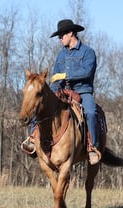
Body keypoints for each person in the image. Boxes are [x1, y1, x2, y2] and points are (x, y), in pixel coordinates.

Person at [21, 19, 100, 165]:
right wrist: (52, 90)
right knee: (40, 105)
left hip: (82, 91)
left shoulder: (88, 52)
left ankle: (92, 147)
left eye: (61, 35)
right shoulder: (61, 55)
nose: (60, 39)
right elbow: (56, 75)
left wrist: (66, 76)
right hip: (62, 91)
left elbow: (87, 71)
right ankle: (32, 138)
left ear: (71, 33)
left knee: (91, 112)